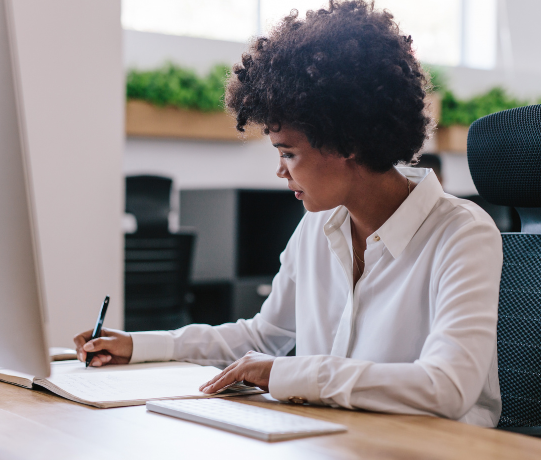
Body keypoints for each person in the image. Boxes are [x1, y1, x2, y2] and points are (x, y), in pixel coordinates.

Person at [75, 1, 503, 426]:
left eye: (289, 153)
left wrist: (289, 373)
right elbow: (263, 337)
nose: (280, 170)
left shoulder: (462, 234)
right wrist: (141, 345)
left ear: (345, 142)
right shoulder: (318, 225)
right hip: (337, 441)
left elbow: (446, 387)